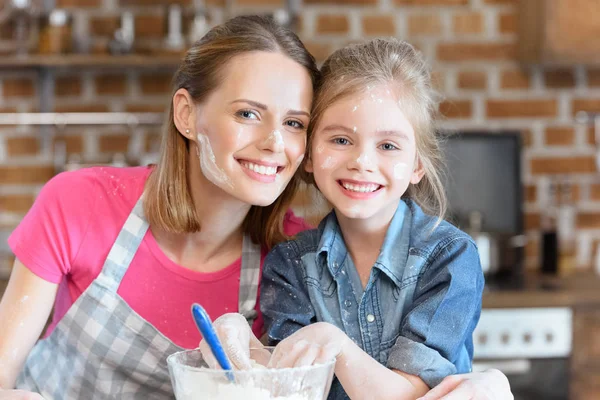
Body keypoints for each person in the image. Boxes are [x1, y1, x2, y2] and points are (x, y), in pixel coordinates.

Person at [0, 15, 318, 399]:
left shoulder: (297, 258)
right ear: (186, 114)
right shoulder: (77, 203)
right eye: (247, 114)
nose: (275, 142)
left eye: (294, 123)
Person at [204, 38, 512, 400]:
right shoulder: (289, 264)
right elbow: (288, 389)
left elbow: (409, 395)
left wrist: (336, 346)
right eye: (340, 140)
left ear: (417, 165)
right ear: (308, 155)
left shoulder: (450, 258)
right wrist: (248, 354)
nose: (362, 162)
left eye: (387, 146)